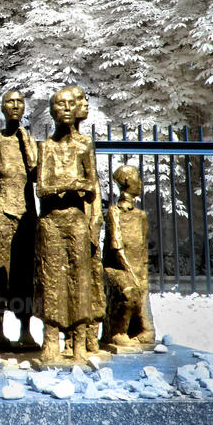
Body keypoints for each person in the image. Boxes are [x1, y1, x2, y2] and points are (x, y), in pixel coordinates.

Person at [36, 87, 97, 363]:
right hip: (51, 221)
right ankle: (51, 339)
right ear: (52, 111)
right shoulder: (47, 146)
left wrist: (75, 186)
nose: (66, 109)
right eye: (59, 105)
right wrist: (67, 185)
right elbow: (41, 188)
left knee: (79, 279)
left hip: (76, 219)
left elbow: (92, 186)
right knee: (52, 280)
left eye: (70, 104)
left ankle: (80, 340)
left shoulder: (85, 146)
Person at [0, 90, 39, 351]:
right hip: (1, 212)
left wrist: (26, 141)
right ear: (2, 106)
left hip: (27, 215)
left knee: (25, 273)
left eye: (19, 102)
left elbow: (37, 172)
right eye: (10, 101)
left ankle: (25, 328)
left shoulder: (29, 139)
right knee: (0, 273)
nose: (15, 105)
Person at [66, 85, 105, 354]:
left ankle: (90, 335)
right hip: (73, 221)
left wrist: (96, 219)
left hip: (88, 219)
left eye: (83, 98)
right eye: (80, 99)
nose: (85, 104)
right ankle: (71, 335)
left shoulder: (84, 144)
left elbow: (93, 186)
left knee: (90, 279)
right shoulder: (69, 144)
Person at [103, 165, 156, 346]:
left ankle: (145, 330)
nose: (140, 183)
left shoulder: (141, 215)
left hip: (138, 268)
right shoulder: (114, 212)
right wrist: (131, 273)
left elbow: (143, 247)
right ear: (126, 183)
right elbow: (116, 247)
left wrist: (141, 273)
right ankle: (118, 332)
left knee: (142, 288)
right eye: (136, 179)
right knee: (129, 290)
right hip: (118, 269)